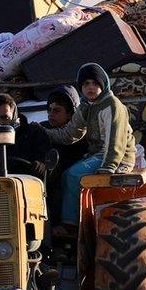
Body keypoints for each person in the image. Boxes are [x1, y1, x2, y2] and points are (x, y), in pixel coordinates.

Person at [56, 63, 136, 233]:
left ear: (103, 84)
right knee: (63, 176)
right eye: (86, 84)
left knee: (73, 175)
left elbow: (115, 142)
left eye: (95, 83)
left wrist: (108, 167)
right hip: (98, 154)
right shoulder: (86, 106)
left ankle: (72, 226)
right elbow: (71, 134)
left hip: (117, 157)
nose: (90, 87)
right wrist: (45, 133)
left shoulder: (112, 105)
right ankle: (72, 221)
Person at [41, 85, 90, 224]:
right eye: (49, 110)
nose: (51, 114)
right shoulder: (41, 129)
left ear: (70, 114)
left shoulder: (80, 135)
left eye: (57, 111)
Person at [0, 93, 51, 177]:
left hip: (24, 184)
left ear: (14, 115)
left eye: (5, 118)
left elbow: (47, 165)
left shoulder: (34, 133)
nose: (0, 123)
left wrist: (41, 166)